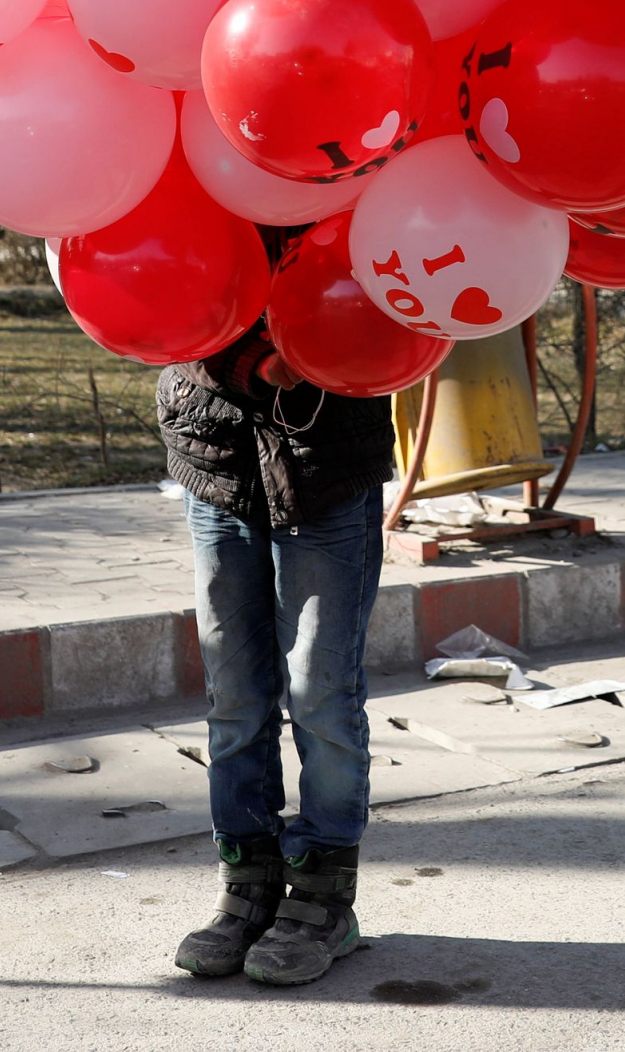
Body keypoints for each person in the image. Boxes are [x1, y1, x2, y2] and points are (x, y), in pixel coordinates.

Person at [158, 307, 394, 988]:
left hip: (329, 458)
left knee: (321, 693)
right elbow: (160, 300)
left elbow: (399, 289)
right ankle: (247, 884)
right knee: (235, 696)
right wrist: (249, 364)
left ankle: (323, 898)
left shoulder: (343, 194)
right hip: (216, 455)